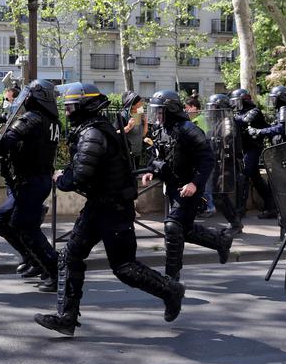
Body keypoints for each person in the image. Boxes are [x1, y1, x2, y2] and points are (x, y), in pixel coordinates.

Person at [33, 83, 185, 336]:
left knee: (124, 267)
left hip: (113, 208)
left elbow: (81, 175)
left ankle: (170, 289)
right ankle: (67, 318)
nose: (67, 112)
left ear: (85, 106)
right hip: (100, 205)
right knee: (69, 257)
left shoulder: (93, 134)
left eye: (71, 107)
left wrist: (61, 179)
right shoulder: (92, 129)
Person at [142, 90, 233, 281]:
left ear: (171, 110)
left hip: (190, 187)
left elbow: (207, 160)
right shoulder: (161, 130)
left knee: (173, 227)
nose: (157, 115)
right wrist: (151, 170)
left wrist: (194, 183)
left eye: (161, 111)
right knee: (185, 230)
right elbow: (157, 155)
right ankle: (221, 240)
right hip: (173, 186)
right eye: (156, 111)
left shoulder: (189, 130)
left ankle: (171, 279)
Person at [0, 80, 60, 292]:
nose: (25, 100)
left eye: (28, 96)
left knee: (26, 228)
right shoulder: (52, 121)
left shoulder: (32, 119)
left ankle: (55, 271)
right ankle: (33, 260)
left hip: (31, 182)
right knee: (2, 221)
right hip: (34, 180)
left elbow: (4, 143)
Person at [229, 88, 278, 219]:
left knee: (244, 175)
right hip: (243, 148)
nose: (234, 105)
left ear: (244, 100)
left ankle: (240, 210)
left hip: (254, 148)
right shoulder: (237, 113)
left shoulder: (254, 111)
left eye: (236, 101)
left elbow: (244, 120)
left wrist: (231, 116)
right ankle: (271, 206)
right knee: (255, 178)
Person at [203, 93, 244, 234]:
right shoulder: (219, 122)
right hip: (219, 164)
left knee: (220, 196)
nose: (211, 111)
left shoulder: (227, 122)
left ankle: (235, 223)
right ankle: (235, 223)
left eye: (214, 108)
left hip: (226, 165)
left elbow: (227, 143)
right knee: (220, 195)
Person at [184, 97, 215, 217]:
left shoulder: (199, 120)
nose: (186, 110)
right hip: (197, 157)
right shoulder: (195, 119)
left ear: (194, 107)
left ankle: (210, 207)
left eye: (187, 108)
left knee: (205, 184)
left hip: (201, 157)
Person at [119, 91, 149, 169]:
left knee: (136, 174)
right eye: (140, 102)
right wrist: (128, 127)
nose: (142, 103)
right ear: (132, 105)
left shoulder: (139, 113)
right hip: (126, 153)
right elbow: (115, 132)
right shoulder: (123, 116)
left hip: (137, 152)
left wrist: (145, 122)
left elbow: (143, 134)